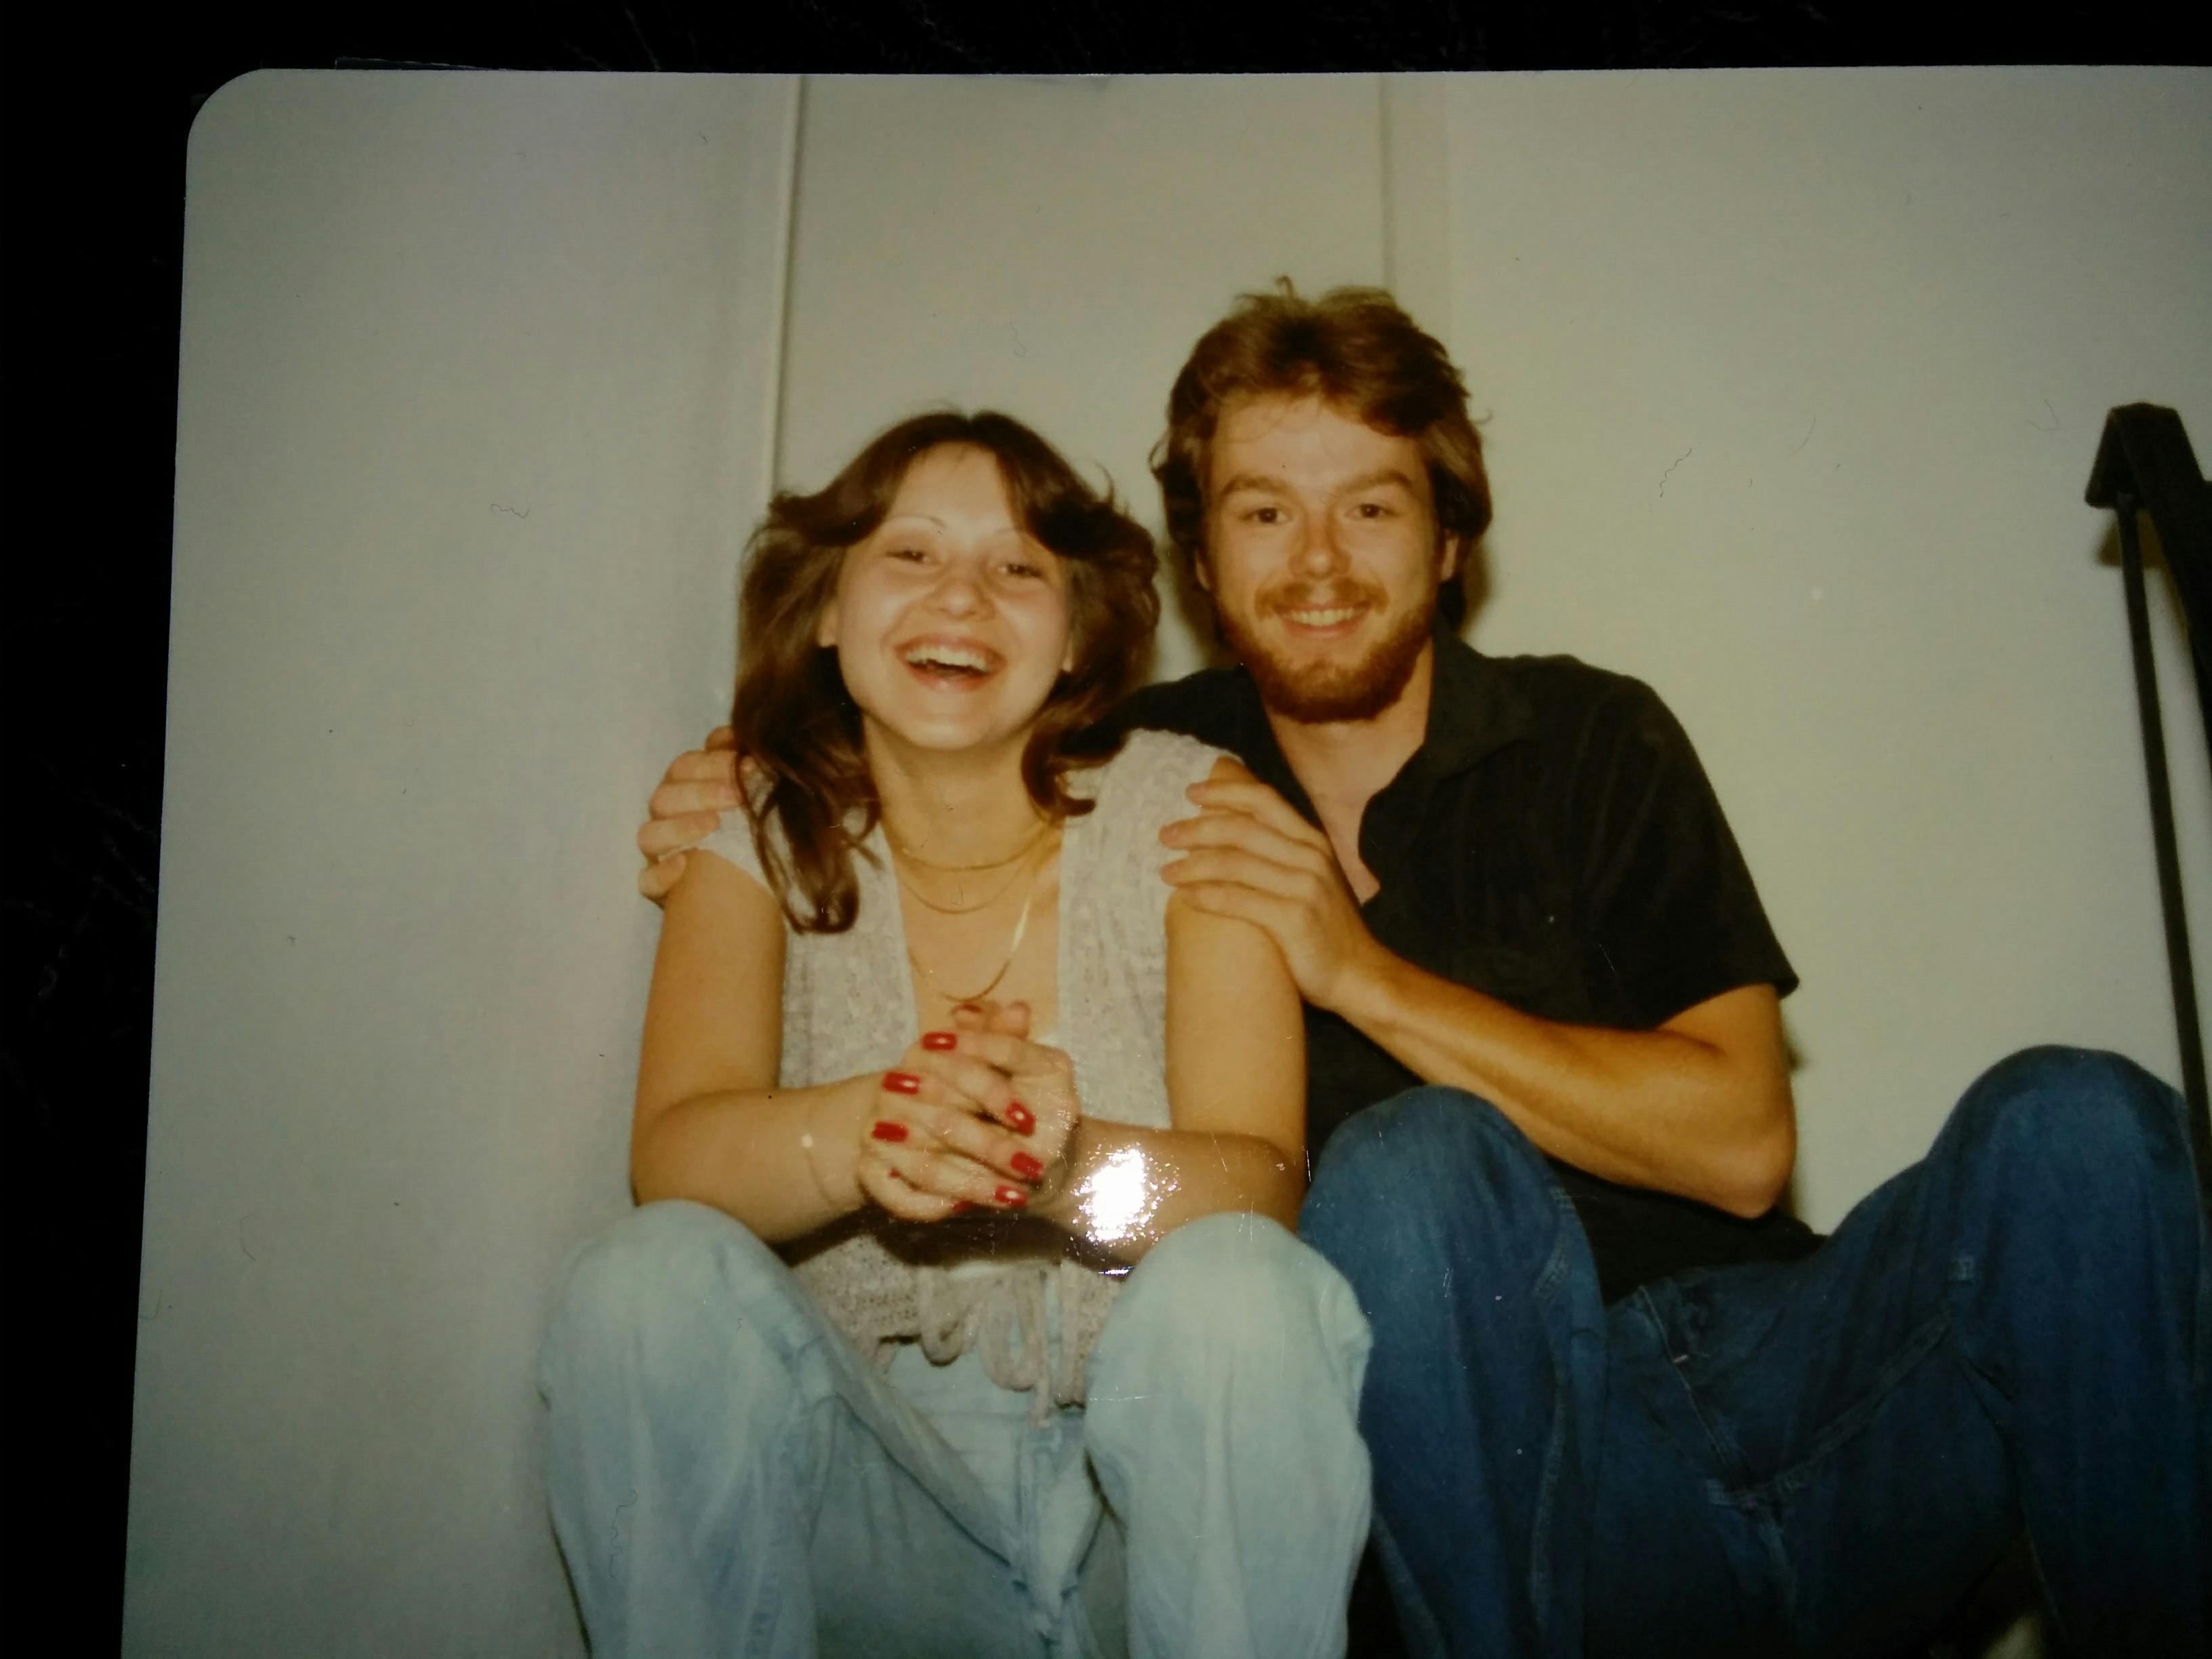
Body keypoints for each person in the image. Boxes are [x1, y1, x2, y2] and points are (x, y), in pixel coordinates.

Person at [636, 287, 2209, 1656]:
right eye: (1262, 512)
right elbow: (946, 734)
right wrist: (756, 771)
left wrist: (1360, 971)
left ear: (1450, 540)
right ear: (1196, 557)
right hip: (1469, 1479)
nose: (1318, 560)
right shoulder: (1145, 772)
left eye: (1373, 508)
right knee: (1409, 1171)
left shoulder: (1594, 734)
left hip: (1780, 1373)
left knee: (2076, 1121)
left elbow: (1744, 1147)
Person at [542, 409, 1374, 1659]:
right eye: (913, 554)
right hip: (869, 1495)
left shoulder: (1193, 810)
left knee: (1246, 1293)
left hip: (1143, 1497)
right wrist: (870, 1130)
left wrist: (1074, 1167)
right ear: (825, 608)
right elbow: (674, 1153)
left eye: (1019, 567)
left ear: (1080, 631)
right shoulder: (750, 828)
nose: (964, 598)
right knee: (641, 1285)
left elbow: (1261, 1181)